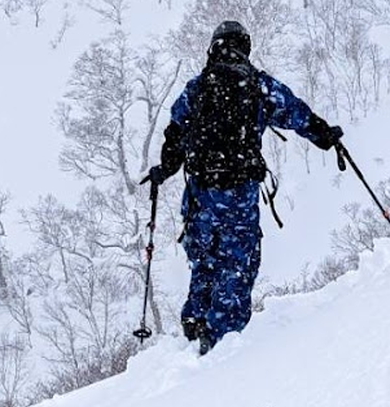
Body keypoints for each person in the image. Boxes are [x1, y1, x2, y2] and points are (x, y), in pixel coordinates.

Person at [140, 20, 342, 354]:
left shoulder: (196, 88)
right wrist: (326, 136)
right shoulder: (258, 85)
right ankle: (221, 344)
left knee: (205, 261)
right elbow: (296, 113)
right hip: (238, 195)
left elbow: (175, 135)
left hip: (200, 197)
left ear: (214, 47)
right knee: (236, 265)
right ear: (244, 46)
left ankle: (194, 325)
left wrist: (164, 170)